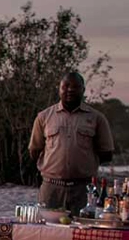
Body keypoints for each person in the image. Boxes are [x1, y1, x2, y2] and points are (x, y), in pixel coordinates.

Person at [29, 71, 115, 214]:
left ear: (83, 90)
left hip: (84, 189)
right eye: (66, 86)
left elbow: (107, 154)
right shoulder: (44, 117)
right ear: (59, 89)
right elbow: (34, 151)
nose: (70, 90)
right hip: (51, 189)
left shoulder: (96, 118)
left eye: (75, 87)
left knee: (85, 231)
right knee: (46, 232)